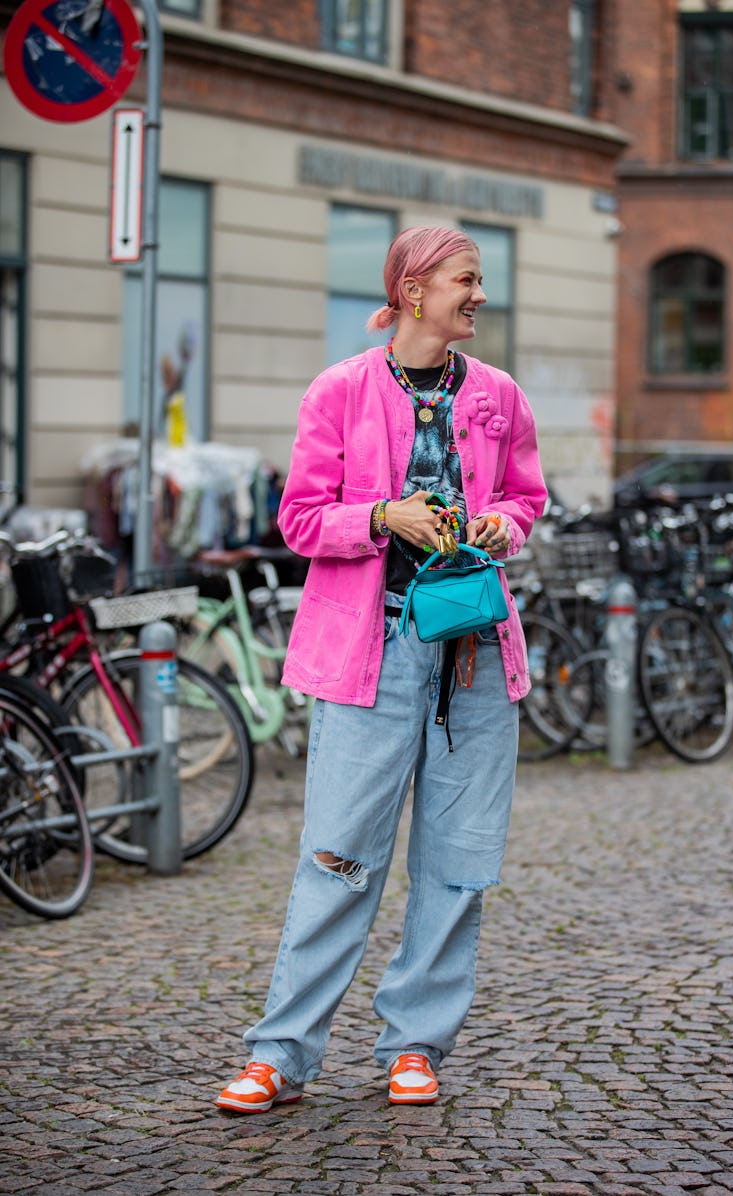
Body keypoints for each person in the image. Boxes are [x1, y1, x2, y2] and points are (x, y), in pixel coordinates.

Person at [216, 225, 548, 1113]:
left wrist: (502, 529)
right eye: (466, 281)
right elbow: (299, 520)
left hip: (476, 656)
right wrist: (382, 519)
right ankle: (281, 1053)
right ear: (414, 292)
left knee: (458, 862)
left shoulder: (500, 394)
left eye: (479, 281)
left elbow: (525, 498)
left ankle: (415, 1045)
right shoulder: (341, 391)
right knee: (338, 856)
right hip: (372, 653)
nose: (478, 295)